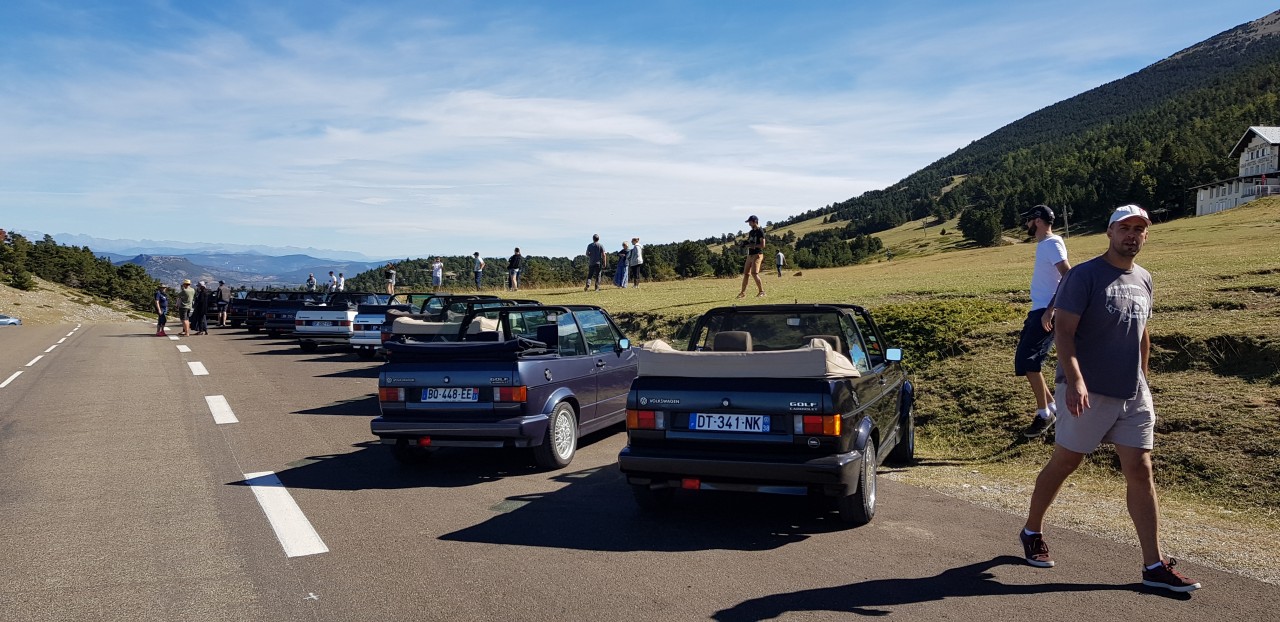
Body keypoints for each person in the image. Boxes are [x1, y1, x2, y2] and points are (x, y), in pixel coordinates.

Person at [1019, 205, 1201, 593]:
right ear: (1110, 232)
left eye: (1139, 229)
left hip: (1132, 392)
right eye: (1125, 228)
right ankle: (1032, 530)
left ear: (1146, 235)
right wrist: (1075, 380)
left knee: (1140, 469)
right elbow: (1064, 332)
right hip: (1087, 389)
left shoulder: (1144, 279)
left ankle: (1153, 565)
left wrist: (1143, 380)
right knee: (1066, 462)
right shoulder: (1084, 275)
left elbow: (1142, 332)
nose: (1132, 235)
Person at [1017, 204, 1071, 438]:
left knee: (1030, 361)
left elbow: (1068, 275)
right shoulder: (1045, 245)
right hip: (1038, 310)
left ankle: (1044, 414)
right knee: (1024, 360)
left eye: (1029, 220)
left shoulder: (1052, 243)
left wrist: (1051, 310)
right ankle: (1052, 408)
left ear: (1037, 221)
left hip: (1046, 312)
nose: (1027, 224)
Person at [737, 215, 766, 298]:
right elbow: (750, 241)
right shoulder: (751, 232)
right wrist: (745, 243)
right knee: (746, 273)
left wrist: (752, 246)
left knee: (754, 273)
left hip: (757, 254)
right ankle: (742, 293)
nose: (749, 224)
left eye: (750, 222)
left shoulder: (760, 231)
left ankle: (761, 292)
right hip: (750, 255)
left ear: (754, 222)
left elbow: (763, 245)